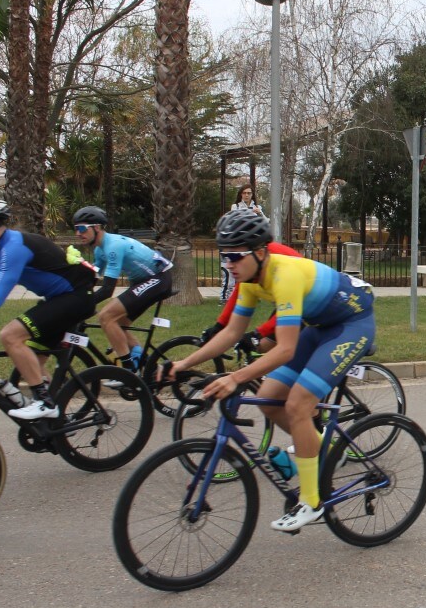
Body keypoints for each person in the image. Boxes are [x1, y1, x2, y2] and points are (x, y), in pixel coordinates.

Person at [162, 210, 376, 531]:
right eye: (224, 257)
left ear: (260, 252)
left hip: (352, 324)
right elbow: (231, 333)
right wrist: (184, 363)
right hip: (321, 326)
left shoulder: (284, 274)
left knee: (299, 403)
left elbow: (286, 348)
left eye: (235, 256)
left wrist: (235, 377)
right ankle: (327, 450)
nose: (228, 264)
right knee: (268, 397)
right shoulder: (249, 281)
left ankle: (311, 502)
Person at [0, 199, 97, 419]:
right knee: (33, 362)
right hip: (58, 299)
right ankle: (50, 425)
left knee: (10, 336)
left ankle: (45, 403)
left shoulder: (13, 247)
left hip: (76, 297)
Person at [72, 206, 174, 373]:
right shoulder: (99, 250)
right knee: (117, 325)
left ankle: (126, 371)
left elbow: (107, 290)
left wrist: (84, 303)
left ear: (96, 227)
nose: (78, 233)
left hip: (158, 279)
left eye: (82, 228)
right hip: (143, 282)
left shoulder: (113, 246)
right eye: (75, 229)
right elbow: (90, 279)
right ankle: (151, 368)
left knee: (106, 317)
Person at [203, 239, 304, 353]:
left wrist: (257, 334)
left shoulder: (265, 257)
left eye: (234, 257)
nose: (229, 265)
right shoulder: (251, 260)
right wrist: (220, 325)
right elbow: (238, 293)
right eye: (227, 257)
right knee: (265, 347)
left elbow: (290, 310)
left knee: (269, 346)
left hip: (302, 300)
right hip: (289, 299)